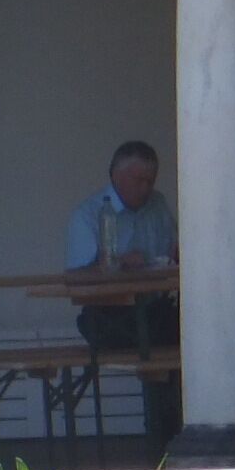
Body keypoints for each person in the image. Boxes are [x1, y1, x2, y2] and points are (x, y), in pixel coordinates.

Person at [65, 140, 181, 437]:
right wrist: (116, 265)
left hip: (157, 310)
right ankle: (164, 436)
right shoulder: (89, 215)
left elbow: (174, 250)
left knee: (198, 335)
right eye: (138, 180)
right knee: (166, 346)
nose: (145, 188)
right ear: (115, 176)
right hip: (111, 317)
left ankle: (176, 432)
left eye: (150, 181)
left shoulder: (158, 205)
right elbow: (75, 279)